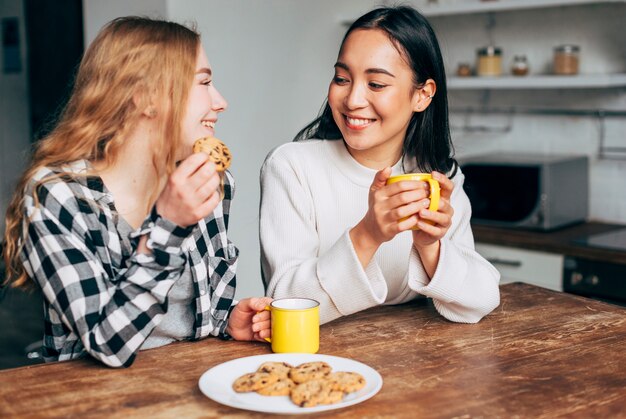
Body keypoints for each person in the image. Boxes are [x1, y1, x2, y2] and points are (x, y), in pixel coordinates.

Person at [2, 17, 271, 368]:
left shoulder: (208, 182)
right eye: (204, 82)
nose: (220, 102)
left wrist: (227, 319)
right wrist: (169, 226)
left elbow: (189, 313)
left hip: (187, 383)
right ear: (145, 96)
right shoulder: (56, 198)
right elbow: (108, 345)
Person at [260, 6, 500, 325]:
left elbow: (481, 301)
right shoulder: (293, 167)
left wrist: (430, 247)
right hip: (322, 361)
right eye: (342, 78)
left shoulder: (438, 179)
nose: (353, 99)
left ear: (423, 95)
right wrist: (368, 234)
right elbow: (285, 304)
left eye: (376, 84)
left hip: (419, 363)